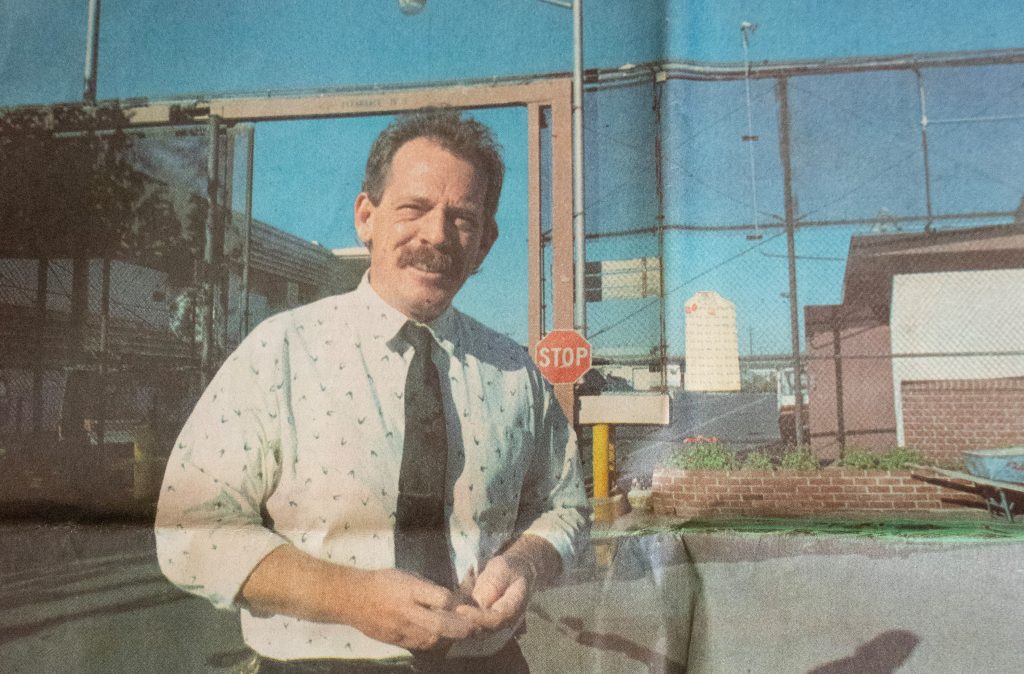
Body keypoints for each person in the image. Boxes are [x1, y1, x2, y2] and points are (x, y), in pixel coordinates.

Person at [155, 109, 590, 674]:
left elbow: (565, 507)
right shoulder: (280, 353)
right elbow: (188, 528)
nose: (436, 235)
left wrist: (529, 561)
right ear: (366, 216)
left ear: (485, 242)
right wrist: (352, 598)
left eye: (462, 218)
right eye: (414, 208)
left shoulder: (515, 373)